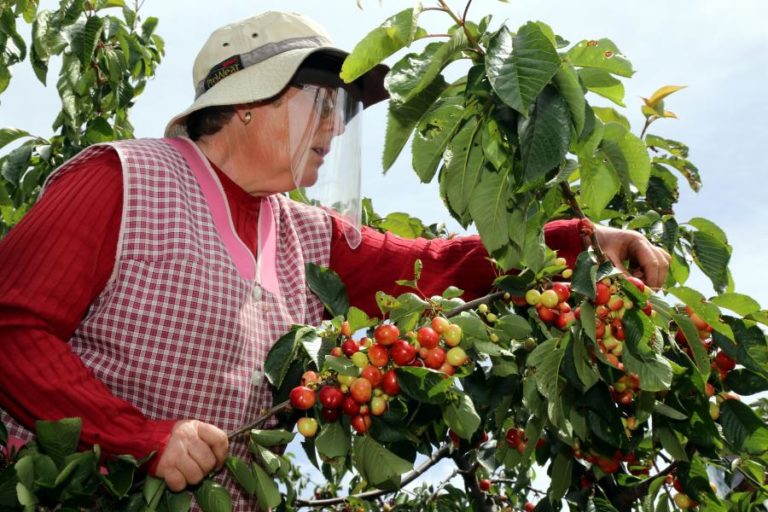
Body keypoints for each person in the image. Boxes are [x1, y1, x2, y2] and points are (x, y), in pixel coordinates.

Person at [0, 10, 670, 510]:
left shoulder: (306, 237)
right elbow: (12, 328)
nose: (338, 125)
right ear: (247, 105)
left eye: (342, 109)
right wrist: (137, 437)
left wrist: (585, 241)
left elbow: (439, 267)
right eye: (323, 102)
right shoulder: (122, 179)